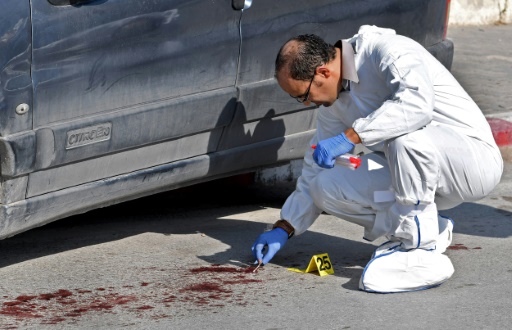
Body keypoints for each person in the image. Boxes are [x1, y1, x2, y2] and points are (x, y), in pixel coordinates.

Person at [251, 25, 503, 293]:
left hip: (472, 163)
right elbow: (313, 169)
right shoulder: (334, 103)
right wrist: (285, 226)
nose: (305, 104)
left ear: (324, 72)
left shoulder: (386, 51)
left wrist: (352, 136)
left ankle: (420, 251)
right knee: (323, 186)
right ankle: (430, 229)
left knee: (403, 135)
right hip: (420, 176)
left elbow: (416, 106)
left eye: (302, 95)